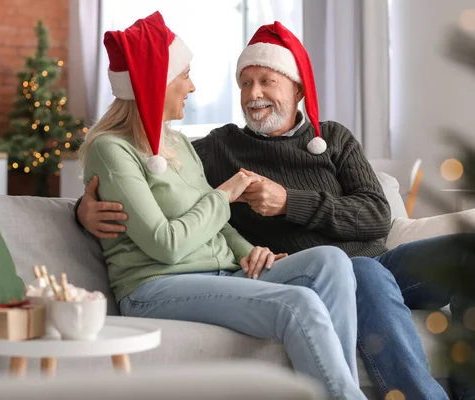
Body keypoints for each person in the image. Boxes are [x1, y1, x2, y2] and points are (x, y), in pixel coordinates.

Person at [78, 20, 475, 400]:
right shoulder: (220, 147)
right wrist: (82, 208)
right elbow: (149, 183)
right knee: (360, 270)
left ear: (298, 89)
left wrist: (290, 202)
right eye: (245, 83)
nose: (253, 94)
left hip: (383, 264)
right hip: (352, 273)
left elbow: (376, 214)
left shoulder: (333, 138)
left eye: (267, 81)